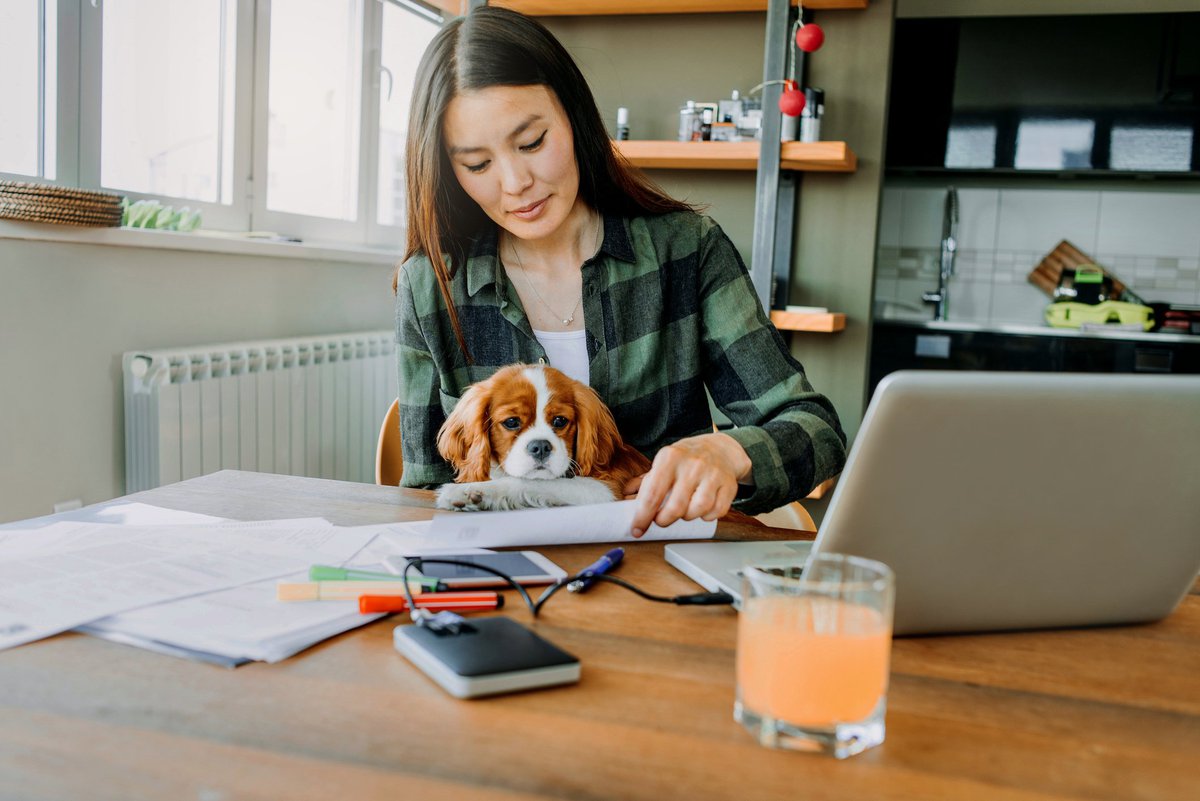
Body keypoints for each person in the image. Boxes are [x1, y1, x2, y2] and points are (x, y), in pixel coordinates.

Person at [395, 6, 845, 536]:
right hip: (498, 573)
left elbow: (816, 431)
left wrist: (728, 452)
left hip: (659, 561)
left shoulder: (685, 248)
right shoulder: (431, 285)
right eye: (477, 164)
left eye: (533, 142)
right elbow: (422, 490)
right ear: (448, 170)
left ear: (575, 116)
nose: (515, 182)